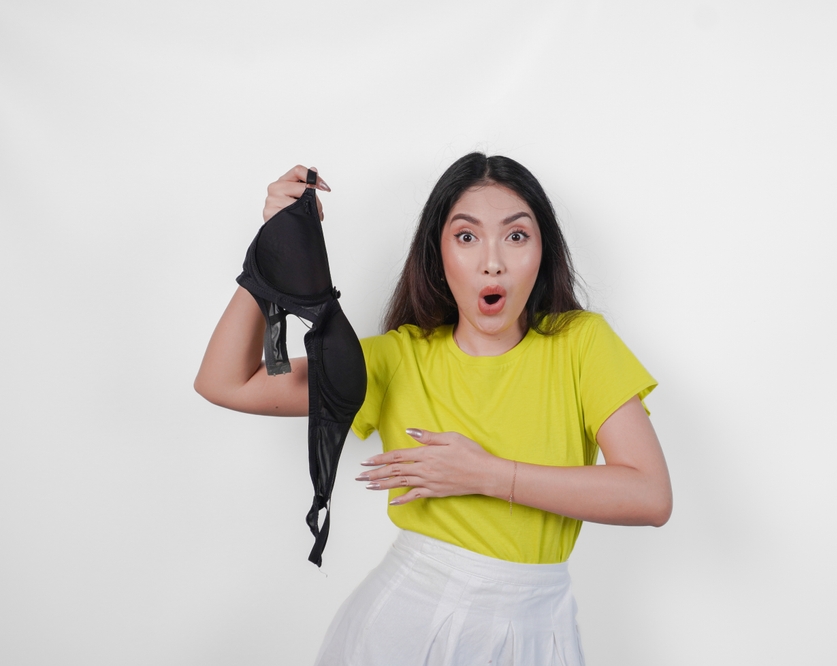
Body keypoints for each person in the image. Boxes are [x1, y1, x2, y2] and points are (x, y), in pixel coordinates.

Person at [194, 153, 672, 665]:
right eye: (466, 237)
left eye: (516, 236)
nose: (493, 261)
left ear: (543, 252)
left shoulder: (582, 344)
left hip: (542, 630)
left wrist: (486, 474)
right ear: (437, 255)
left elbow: (649, 495)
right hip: (407, 626)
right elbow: (226, 381)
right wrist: (274, 244)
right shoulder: (399, 358)